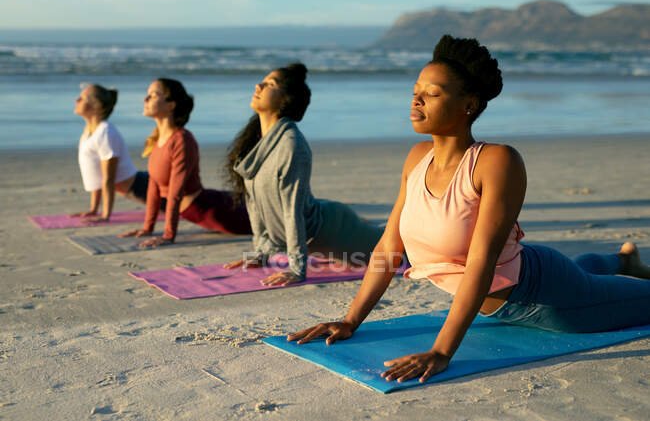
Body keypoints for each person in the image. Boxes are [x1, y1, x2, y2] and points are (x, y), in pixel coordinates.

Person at [287, 35, 650, 384]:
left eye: (432, 94)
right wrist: (351, 320)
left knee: (603, 290)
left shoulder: (496, 161)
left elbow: (481, 262)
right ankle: (623, 262)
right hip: (524, 268)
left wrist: (441, 351)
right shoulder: (416, 159)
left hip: (546, 298)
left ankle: (622, 266)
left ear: (469, 104)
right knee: (588, 273)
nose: (416, 101)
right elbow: (387, 248)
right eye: (415, 93)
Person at [223, 63, 383, 286]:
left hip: (333, 230)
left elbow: (292, 209)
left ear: (286, 99)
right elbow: (255, 204)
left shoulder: (291, 144)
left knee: (396, 251)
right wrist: (261, 253)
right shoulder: (256, 144)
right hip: (319, 225)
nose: (258, 86)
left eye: (270, 84)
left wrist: (298, 269)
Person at [119, 78, 251, 248]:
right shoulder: (158, 139)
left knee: (271, 221)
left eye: (153, 95)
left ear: (171, 105)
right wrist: (148, 228)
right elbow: (153, 187)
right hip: (198, 208)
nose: (145, 99)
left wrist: (168, 235)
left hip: (211, 210)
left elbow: (175, 192)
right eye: (147, 95)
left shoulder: (182, 140)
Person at [72, 84, 150, 222]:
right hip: (134, 189)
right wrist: (93, 209)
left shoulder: (106, 133)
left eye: (82, 98)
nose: (76, 100)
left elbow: (109, 178)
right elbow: (96, 175)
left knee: (183, 206)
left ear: (96, 106)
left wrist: (105, 216)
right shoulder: (89, 131)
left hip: (143, 188)